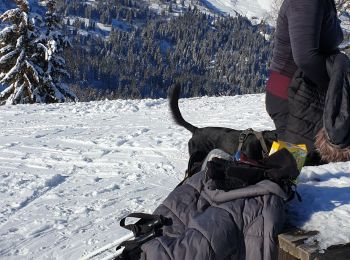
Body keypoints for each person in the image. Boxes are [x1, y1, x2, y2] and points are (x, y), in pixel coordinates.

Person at [265, 0, 344, 156]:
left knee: (311, 166)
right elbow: (305, 57)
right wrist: (333, 87)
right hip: (293, 97)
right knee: (290, 168)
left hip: (305, 95)